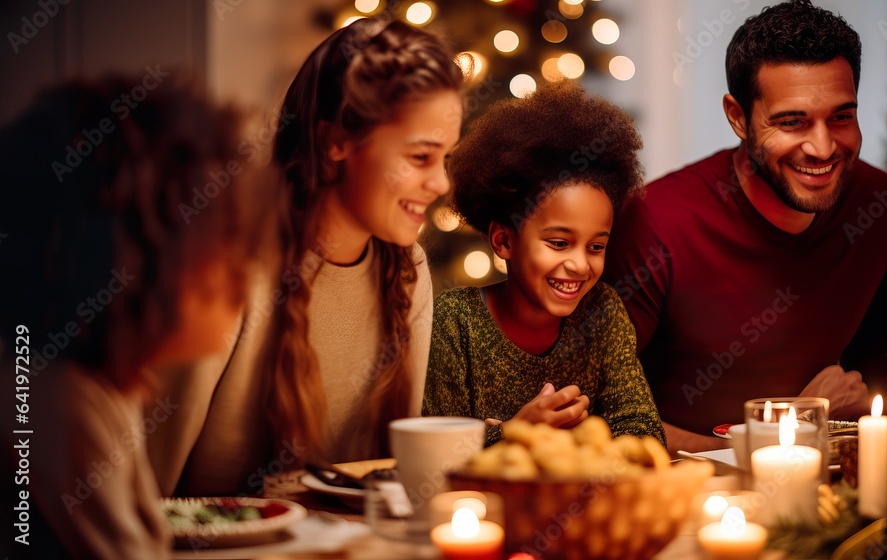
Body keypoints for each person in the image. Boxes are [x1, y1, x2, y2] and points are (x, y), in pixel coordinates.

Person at [146, 18, 465, 497]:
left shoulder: (408, 269)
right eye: (420, 156)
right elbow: (143, 492)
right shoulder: (231, 266)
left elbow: (392, 483)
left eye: (446, 158)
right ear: (335, 140)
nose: (441, 183)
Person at [603, 0, 887, 452]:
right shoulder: (657, 220)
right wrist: (784, 430)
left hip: (832, 490)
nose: (822, 147)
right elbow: (598, 412)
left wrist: (877, 408)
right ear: (738, 117)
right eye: (792, 122)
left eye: (841, 116)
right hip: (681, 494)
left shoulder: (883, 205)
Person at [0, 77, 275, 558]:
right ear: (138, 257)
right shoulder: (60, 404)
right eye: (225, 237)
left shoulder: (100, 383)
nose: (247, 264)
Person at [423, 81, 666, 448]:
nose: (580, 265)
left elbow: (643, 429)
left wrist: (582, 440)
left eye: (596, 246)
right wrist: (515, 432)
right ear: (504, 241)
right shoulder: (455, 322)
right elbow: (434, 448)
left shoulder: (602, 312)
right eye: (558, 243)